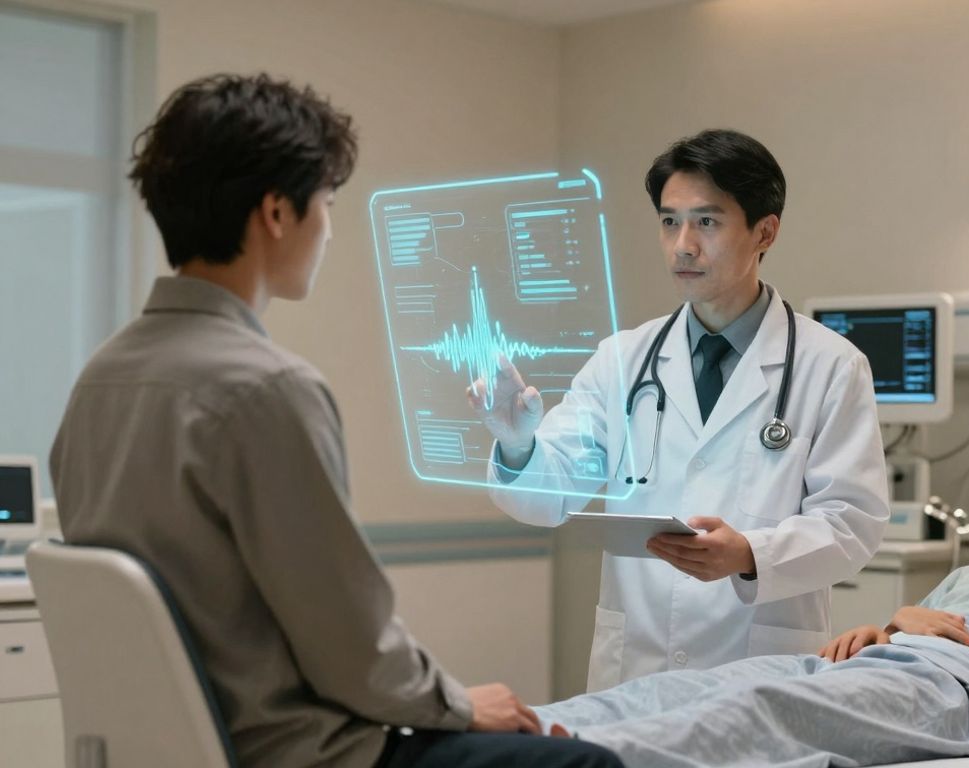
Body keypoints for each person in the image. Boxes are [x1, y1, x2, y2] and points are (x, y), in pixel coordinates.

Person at [49, 73, 621, 768]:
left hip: (163, 750)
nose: (327, 227)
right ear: (276, 213)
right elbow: (353, 652)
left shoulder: (98, 382)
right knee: (588, 762)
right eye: (325, 201)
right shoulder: (268, 390)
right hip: (296, 754)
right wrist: (464, 704)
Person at [470, 129, 890, 691]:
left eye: (707, 222)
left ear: (765, 231)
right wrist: (520, 446)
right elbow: (553, 496)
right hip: (637, 672)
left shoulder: (831, 366)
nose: (683, 245)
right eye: (670, 221)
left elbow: (852, 523)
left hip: (761, 674)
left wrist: (749, 553)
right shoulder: (622, 359)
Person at [527, 429, 969, 767]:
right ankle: (516, 729)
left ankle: (569, 758)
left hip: (956, 697)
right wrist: (885, 627)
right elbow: (910, 628)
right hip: (876, 668)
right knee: (706, 687)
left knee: (765, 709)